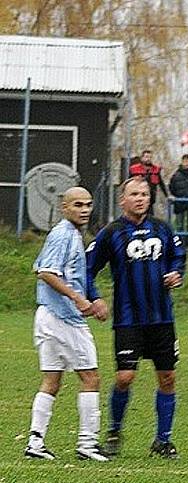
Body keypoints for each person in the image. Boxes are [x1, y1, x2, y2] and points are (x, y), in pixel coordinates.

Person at [86, 177, 187, 459]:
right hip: (129, 319)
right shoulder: (111, 233)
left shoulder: (163, 229)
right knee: (125, 377)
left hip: (162, 319)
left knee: (167, 377)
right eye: (134, 194)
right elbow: (87, 269)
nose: (141, 198)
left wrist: (177, 273)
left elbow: (179, 257)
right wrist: (95, 297)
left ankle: (163, 440)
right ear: (123, 200)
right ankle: (115, 431)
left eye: (145, 194)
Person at [25, 187, 109, 462]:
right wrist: (78, 299)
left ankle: (35, 442)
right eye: (77, 205)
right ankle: (87, 443)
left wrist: (90, 299)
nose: (84, 210)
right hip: (63, 317)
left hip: (48, 314)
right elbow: (46, 272)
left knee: (52, 379)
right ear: (64, 207)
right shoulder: (63, 234)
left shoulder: (71, 234)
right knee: (91, 377)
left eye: (88, 205)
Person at [129, 150, 169, 214]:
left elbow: (161, 184)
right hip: (138, 198)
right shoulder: (134, 169)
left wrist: (167, 195)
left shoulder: (156, 170)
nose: (148, 159)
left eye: (150, 157)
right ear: (142, 158)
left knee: (149, 217)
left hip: (150, 198)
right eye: (146, 157)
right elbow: (128, 183)